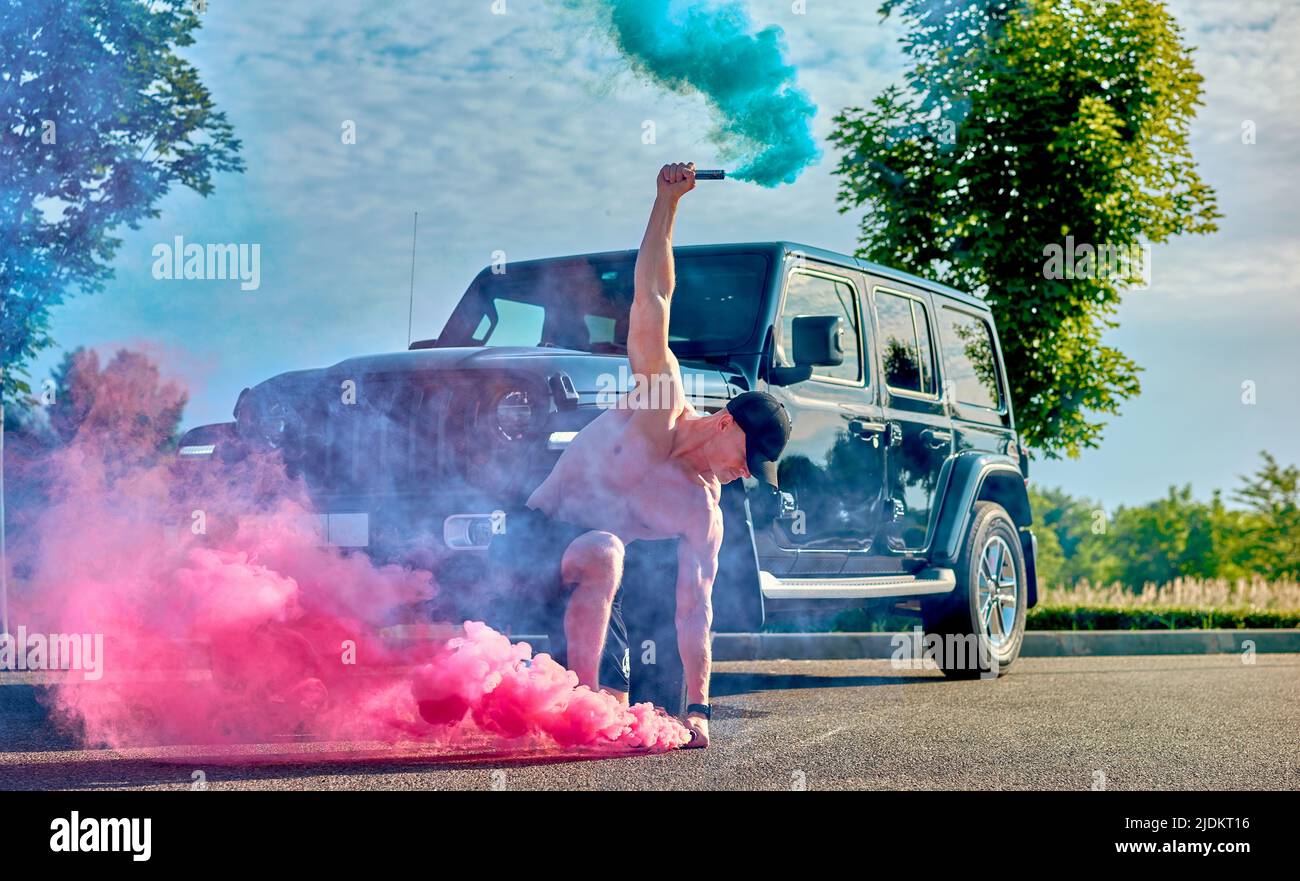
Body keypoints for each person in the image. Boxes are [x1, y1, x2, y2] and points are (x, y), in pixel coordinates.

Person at [492, 162, 791, 748]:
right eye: (746, 459)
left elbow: (694, 612)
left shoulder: (702, 510)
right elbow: (653, 296)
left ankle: (576, 710)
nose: (741, 475)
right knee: (603, 549)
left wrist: (700, 708)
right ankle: (571, 710)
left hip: (590, 593)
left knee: (617, 711)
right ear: (727, 421)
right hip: (522, 551)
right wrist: (667, 204)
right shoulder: (659, 400)